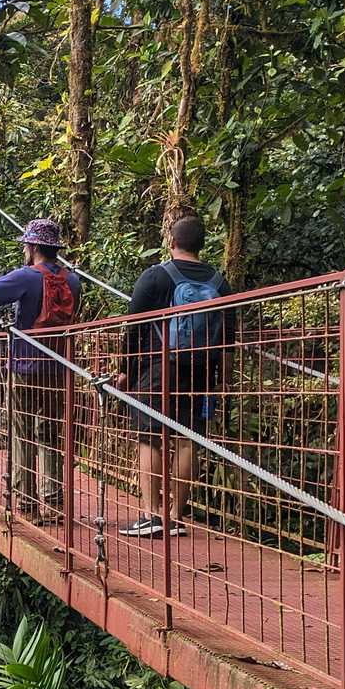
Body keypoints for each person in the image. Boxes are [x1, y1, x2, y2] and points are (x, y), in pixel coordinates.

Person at [119, 214, 233, 539]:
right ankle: (174, 517)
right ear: (202, 244)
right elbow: (228, 338)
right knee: (186, 439)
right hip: (200, 370)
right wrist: (222, 378)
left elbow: (134, 327)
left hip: (159, 369)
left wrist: (126, 370)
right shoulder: (219, 284)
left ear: (172, 240)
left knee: (150, 436)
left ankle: (151, 515)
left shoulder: (156, 277)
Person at [0, 219, 79, 522]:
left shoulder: (26, 276)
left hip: (23, 366)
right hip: (57, 369)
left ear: (32, 247)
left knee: (22, 434)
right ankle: (55, 504)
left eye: (25, 246)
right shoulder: (73, 281)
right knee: (50, 434)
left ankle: (28, 504)